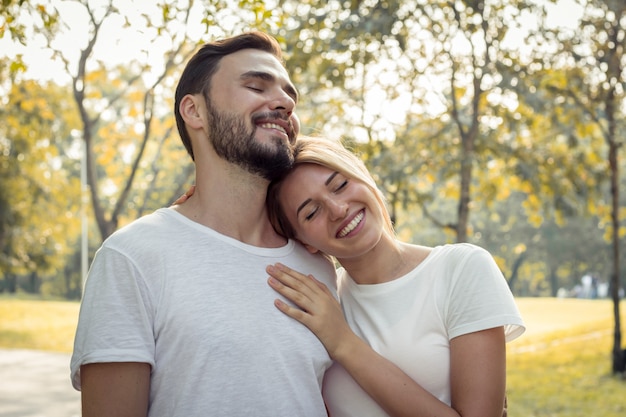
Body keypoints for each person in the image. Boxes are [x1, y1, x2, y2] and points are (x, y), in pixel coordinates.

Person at [70, 32, 337, 417]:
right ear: (194, 111)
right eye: (256, 85)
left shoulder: (319, 266)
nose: (285, 103)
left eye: (289, 96)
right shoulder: (132, 257)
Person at [264, 136, 526, 417]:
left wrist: (343, 343)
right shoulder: (321, 304)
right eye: (312, 212)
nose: (339, 210)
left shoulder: (462, 268)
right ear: (304, 242)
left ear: (363, 177)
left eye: (340, 185)